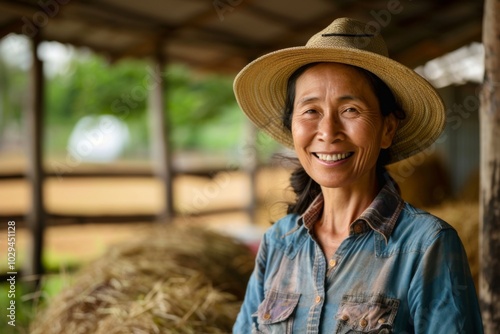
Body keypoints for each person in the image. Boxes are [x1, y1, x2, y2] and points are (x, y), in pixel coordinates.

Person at [232, 18, 483, 333]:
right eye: (310, 111)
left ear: (387, 129)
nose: (328, 132)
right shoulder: (279, 243)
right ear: (292, 127)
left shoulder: (426, 246)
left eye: (350, 110)